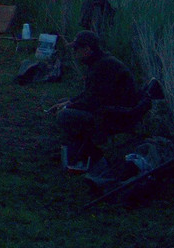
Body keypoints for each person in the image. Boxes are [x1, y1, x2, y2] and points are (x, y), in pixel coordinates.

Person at [49, 30, 139, 172]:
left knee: (64, 115)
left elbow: (94, 101)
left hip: (114, 116)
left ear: (87, 49)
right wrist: (68, 102)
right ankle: (73, 150)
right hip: (107, 109)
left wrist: (68, 107)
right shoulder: (99, 62)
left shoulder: (103, 67)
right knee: (64, 103)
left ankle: (85, 154)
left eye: (77, 48)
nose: (75, 52)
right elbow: (90, 94)